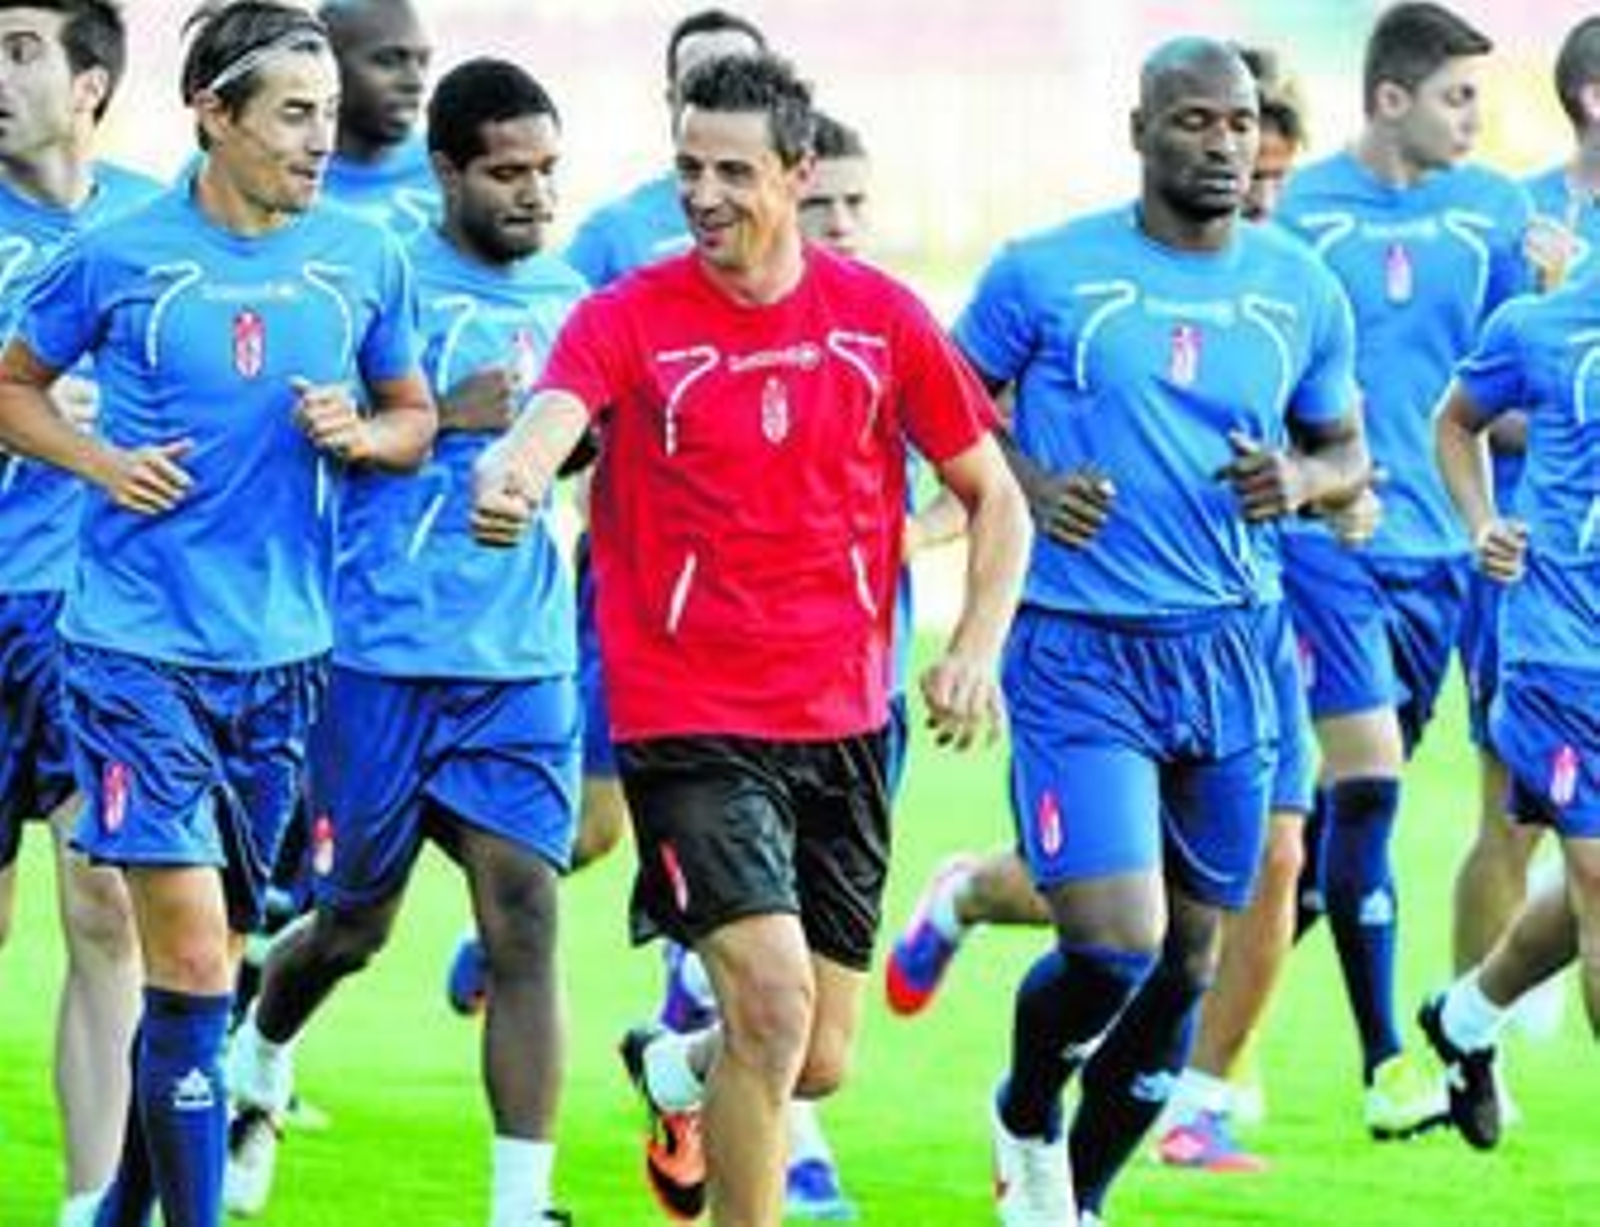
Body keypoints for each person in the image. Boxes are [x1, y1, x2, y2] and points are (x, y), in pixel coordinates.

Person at [471, 51, 1030, 1227]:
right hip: (686, 720)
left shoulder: (878, 322)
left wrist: (974, 643)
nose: (704, 193)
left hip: (843, 721)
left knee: (815, 1058)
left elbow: (996, 496)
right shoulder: (626, 316)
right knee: (772, 1011)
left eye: (733, 170)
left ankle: (674, 1070)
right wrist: (517, 469)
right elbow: (554, 416)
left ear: (797, 171)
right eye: (687, 168)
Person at [0, 4, 434, 1224]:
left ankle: (117, 1210)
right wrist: (98, 462)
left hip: (284, 662)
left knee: (203, 979)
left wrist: (367, 435)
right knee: (187, 958)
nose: (317, 142)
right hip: (133, 651)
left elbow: (411, 415)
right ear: (215, 114)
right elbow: (12, 389)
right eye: (294, 116)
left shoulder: (363, 259)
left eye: (328, 119)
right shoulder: (122, 255)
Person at [952, 38, 1368, 1223]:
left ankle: (1072, 1200)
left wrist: (1300, 477)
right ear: (1139, 130)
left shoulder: (1299, 288)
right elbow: (943, 409)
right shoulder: (1046, 273)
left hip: (1231, 651)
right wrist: (1028, 482)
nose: (1224, 145)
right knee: (1112, 943)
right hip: (1081, 646)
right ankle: (1025, 1105)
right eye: (1195, 122)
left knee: (1190, 954)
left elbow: (1347, 453)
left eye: (1239, 125)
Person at [223, 58, 579, 1227]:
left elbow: (586, 448)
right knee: (353, 926)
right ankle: (262, 1053)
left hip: (518, 662)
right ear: (445, 171)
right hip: (374, 658)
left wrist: (561, 452)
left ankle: (521, 1204)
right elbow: (312, 435)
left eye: (546, 171)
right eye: (507, 172)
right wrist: (438, 424)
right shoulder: (373, 278)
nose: (533, 194)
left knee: (524, 914)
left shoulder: (574, 300)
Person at [1273, 0, 1530, 1138]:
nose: (1474, 119)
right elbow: (1274, 379)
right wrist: (1321, 486)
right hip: (1331, 546)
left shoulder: (1496, 216)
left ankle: (1166, 1024)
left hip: (1444, 561)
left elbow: (1504, 398)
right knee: (1368, 784)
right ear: (1389, 98)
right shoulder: (1302, 221)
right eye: (1455, 97)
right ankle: (1388, 1065)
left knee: (1329, 836)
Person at [0, 4, 159, 1223]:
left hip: (97, 616)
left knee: (105, 906)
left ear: (89, 81)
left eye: (18, 51)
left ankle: (87, 1205)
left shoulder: (158, 230)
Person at [1420, 243, 1600, 1150]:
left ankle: (1464, 1018)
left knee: (1582, 899)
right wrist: (1483, 522)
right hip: (1562, 655)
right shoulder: (1540, 324)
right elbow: (1455, 421)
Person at [1447, 14, 1600, 1029]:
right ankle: (1475, 1060)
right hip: (1545, 594)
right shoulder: (1520, 223)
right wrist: (1482, 518)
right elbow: (1469, 399)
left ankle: (1463, 1021)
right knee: (1516, 830)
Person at [315, 0, 435, 235]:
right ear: (325, 65)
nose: (414, 82)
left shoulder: (450, 170)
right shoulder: (278, 181)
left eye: (423, 61)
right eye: (388, 60)